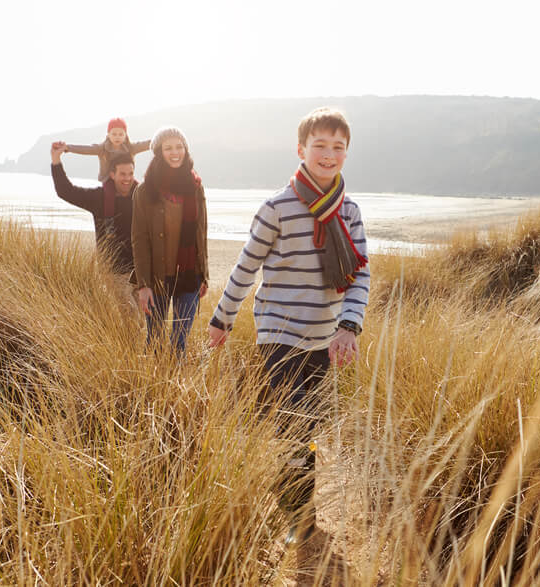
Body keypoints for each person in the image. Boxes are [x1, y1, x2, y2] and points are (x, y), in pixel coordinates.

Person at [206, 106, 369, 546]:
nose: (329, 154)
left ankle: (288, 498)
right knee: (292, 424)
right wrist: (223, 319)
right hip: (277, 331)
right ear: (302, 150)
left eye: (338, 147)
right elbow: (246, 267)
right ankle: (299, 517)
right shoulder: (276, 208)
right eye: (320, 145)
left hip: (323, 336)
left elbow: (360, 276)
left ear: (346, 154)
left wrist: (349, 326)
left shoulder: (349, 212)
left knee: (305, 427)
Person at [132, 126, 208, 357]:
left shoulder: (195, 186)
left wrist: (204, 275)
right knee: (154, 341)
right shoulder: (145, 191)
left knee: (179, 344)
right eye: (168, 148)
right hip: (157, 279)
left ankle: (176, 391)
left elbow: (201, 234)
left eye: (179, 146)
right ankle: (151, 391)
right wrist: (143, 285)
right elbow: (139, 239)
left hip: (189, 277)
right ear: (159, 152)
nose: (175, 152)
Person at [50, 142, 138, 280]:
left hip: (141, 273)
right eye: (122, 174)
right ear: (112, 175)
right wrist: (56, 160)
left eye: (130, 174)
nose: (127, 178)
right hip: (113, 273)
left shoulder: (142, 197)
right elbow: (66, 191)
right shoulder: (99, 198)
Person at [63, 117, 152, 183]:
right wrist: (68, 147)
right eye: (114, 134)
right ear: (108, 135)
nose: (117, 137)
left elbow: (146, 144)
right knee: (109, 194)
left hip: (126, 179)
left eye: (121, 134)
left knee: (139, 191)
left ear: (125, 135)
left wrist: (162, 139)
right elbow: (86, 149)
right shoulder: (102, 149)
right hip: (108, 180)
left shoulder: (131, 148)